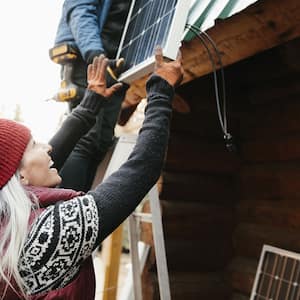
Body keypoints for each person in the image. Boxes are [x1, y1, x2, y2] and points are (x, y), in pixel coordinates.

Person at [0, 47, 183, 299]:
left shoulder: (9, 224)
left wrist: (90, 105)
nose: (48, 147)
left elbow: (48, 153)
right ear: (19, 178)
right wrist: (161, 92)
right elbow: (142, 168)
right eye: (34, 145)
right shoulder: (50, 233)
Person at [53, 0, 132, 192]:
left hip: (116, 65)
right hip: (88, 60)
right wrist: (96, 55)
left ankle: (84, 203)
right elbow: (79, 10)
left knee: (102, 142)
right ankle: (66, 210)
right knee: (85, 140)